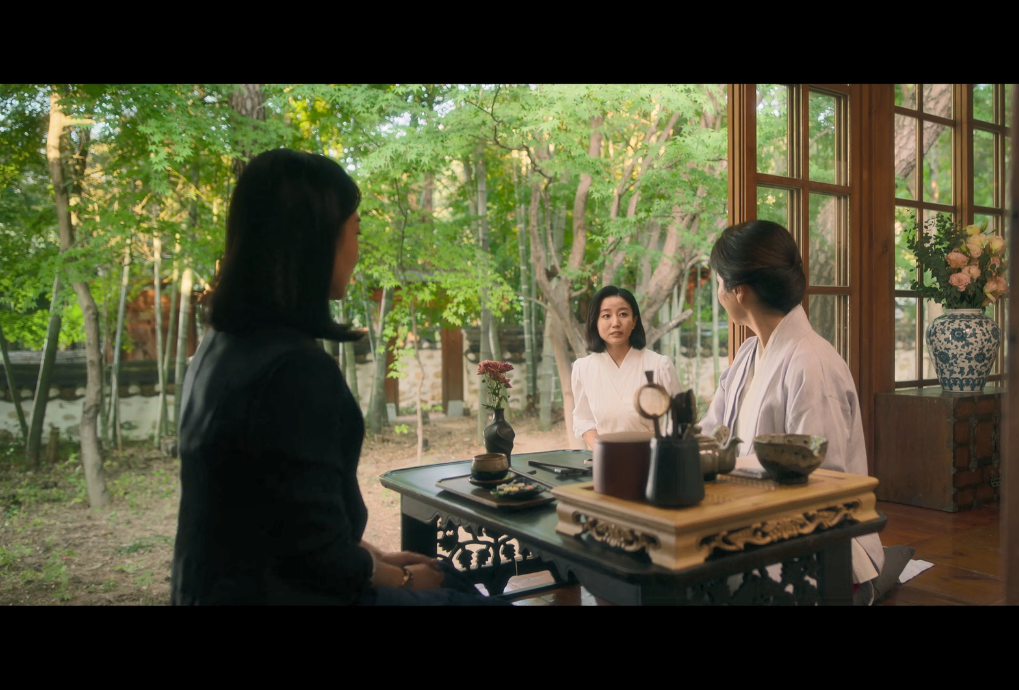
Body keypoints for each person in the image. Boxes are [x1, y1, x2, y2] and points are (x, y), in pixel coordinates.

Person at [172, 148, 506, 606]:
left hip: (215, 589)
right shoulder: (293, 371)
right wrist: (397, 578)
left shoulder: (221, 347)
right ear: (315, 240)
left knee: (447, 575)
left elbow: (286, 519)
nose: (357, 249)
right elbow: (317, 559)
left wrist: (377, 559)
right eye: (356, 231)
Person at [697, 220, 888, 600]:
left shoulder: (811, 362)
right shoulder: (749, 353)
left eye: (718, 282)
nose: (717, 293)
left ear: (739, 291)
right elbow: (712, 432)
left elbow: (823, 482)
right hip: (752, 523)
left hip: (816, 547)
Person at [571, 286, 682, 448]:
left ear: (634, 321)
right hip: (605, 457)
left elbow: (679, 420)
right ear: (595, 322)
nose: (615, 323)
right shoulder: (583, 368)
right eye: (606, 315)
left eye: (623, 314)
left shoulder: (659, 366)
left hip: (653, 456)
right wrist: (603, 451)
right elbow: (583, 419)